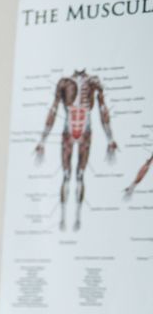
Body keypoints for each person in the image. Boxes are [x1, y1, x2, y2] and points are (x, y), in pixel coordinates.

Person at [35, 68, 117, 232]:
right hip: (69, 132)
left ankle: (78, 218)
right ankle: (63, 218)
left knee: (80, 176)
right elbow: (53, 110)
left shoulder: (93, 82)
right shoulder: (64, 83)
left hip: (85, 132)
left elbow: (103, 109)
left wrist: (110, 138)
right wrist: (42, 140)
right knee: (66, 176)